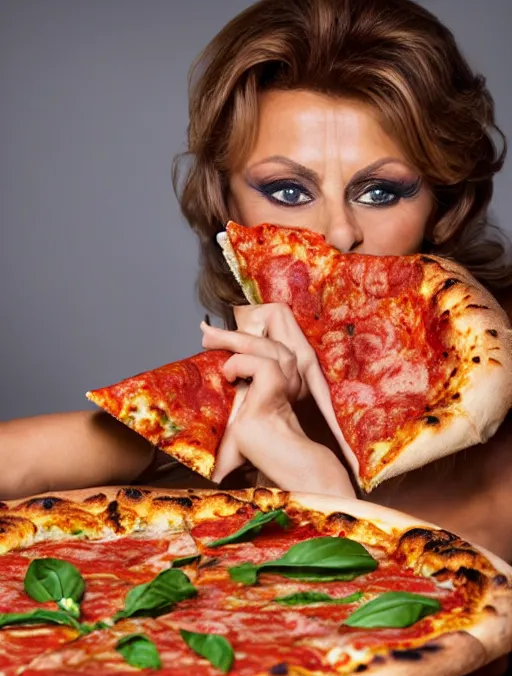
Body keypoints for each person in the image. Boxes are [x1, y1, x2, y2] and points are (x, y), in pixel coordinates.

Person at [1, 0, 511, 570]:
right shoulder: (236, 402)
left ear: (445, 207)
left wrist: (325, 499)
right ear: (227, 209)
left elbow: (456, 649)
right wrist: (207, 417)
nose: (337, 234)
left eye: (380, 192)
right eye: (290, 191)